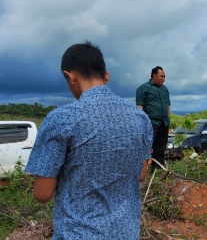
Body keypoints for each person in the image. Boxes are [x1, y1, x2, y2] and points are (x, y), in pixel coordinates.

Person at [25, 41, 153, 239]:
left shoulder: (60, 119)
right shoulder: (140, 118)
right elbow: (140, 175)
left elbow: (42, 194)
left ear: (70, 76)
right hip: (125, 233)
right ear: (106, 76)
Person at [136, 66, 171, 172]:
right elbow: (140, 106)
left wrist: (168, 119)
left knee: (161, 148)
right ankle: (142, 173)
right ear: (154, 76)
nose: (164, 78)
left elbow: (168, 105)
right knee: (147, 147)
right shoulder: (143, 88)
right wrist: (141, 124)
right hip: (151, 122)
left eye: (164, 76)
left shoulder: (165, 89)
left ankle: (156, 171)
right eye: (162, 76)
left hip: (164, 122)